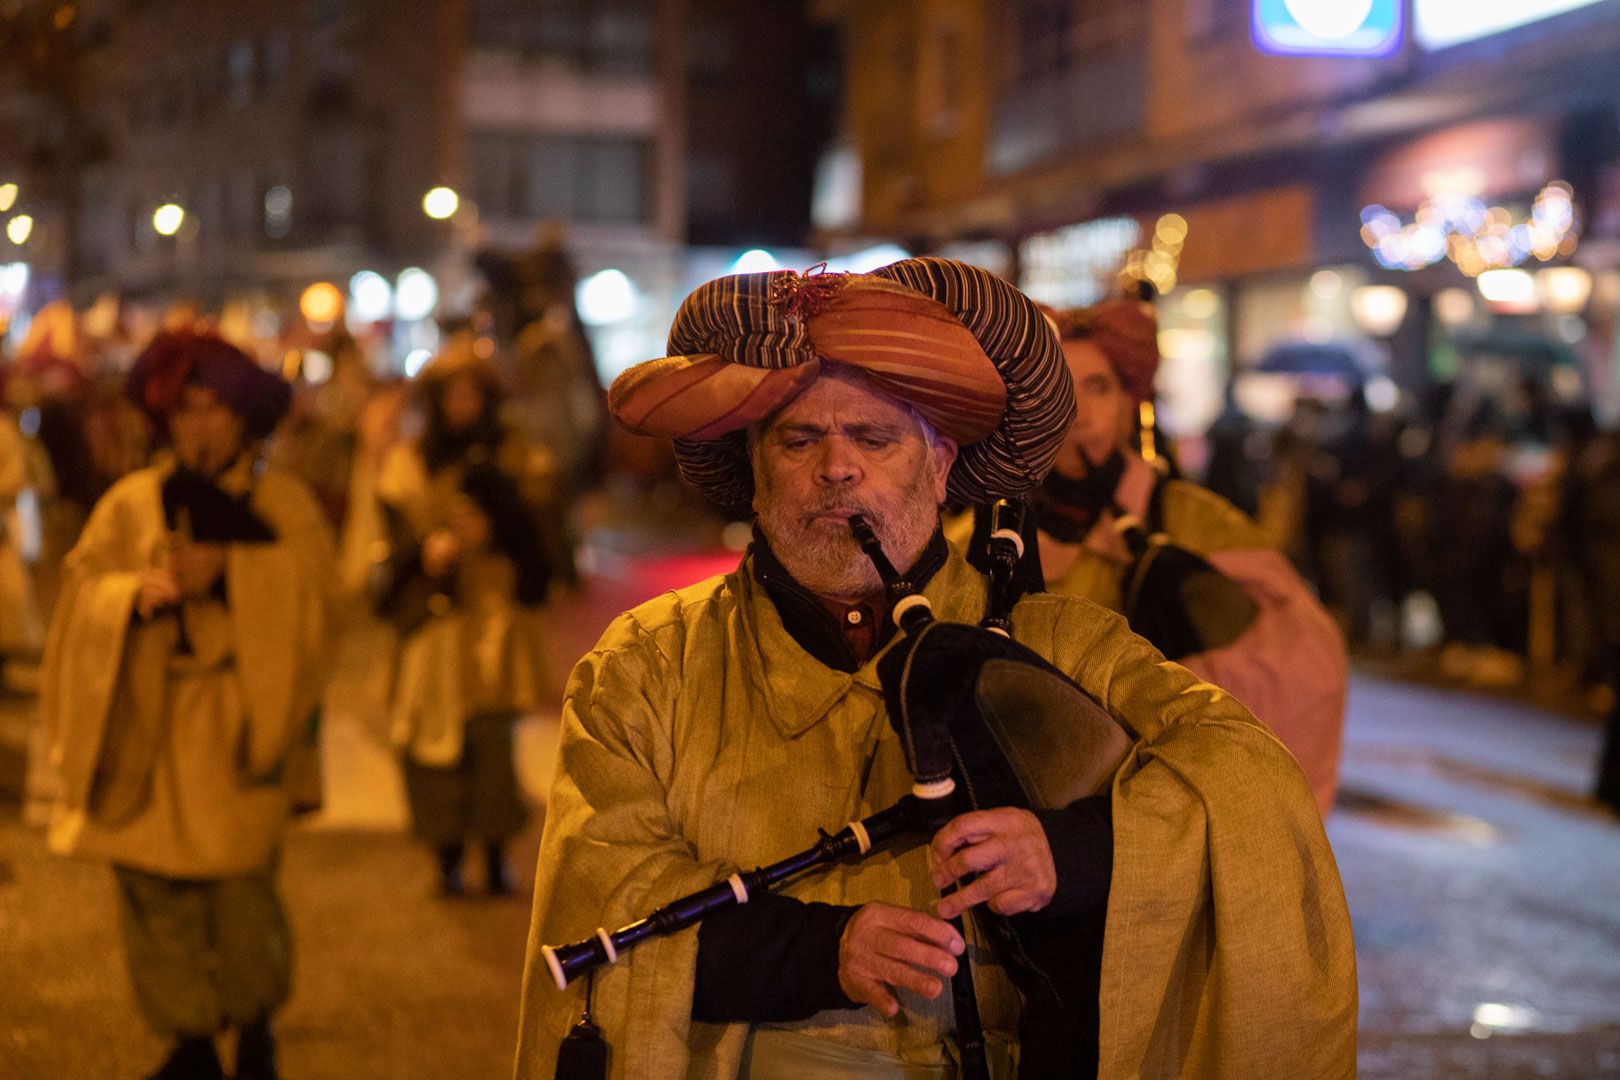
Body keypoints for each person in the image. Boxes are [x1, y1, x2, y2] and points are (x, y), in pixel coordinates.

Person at [514, 258, 1356, 1079]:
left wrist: (1074, 852)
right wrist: (823, 950)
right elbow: (604, 891)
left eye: (874, 438)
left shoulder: (1063, 644)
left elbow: (1248, 777)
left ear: (942, 462)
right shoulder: (644, 666)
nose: (836, 468)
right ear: (755, 472)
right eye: (798, 438)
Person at [38, 330, 333, 1080]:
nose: (201, 426)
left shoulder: (283, 501)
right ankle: (189, 1040)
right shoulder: (130, 502)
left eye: (216, 409)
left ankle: (254, 1022)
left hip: (237, 722)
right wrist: (126, 594)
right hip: (146, 723)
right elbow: (81, 593)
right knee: (149, 891)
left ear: (243, 416)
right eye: (187, 410)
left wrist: (232, 571)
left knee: (240, 895)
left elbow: (319, 602)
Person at [1013, 299, 1348, 815]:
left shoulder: (1194, 520)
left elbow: (1308, 665)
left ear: (1130, 402)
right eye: (1058, 390)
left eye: (1099, 387)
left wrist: (1180, 684)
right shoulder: (988, 530)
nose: (1077, 412)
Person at [345, 334, 552, 896]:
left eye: (471, 394)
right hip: (433, 628)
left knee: (490, 742)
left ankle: (494, 851)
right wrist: (425, 551)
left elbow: (541, 540)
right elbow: (389, 542)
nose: (462, 405)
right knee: (431, 746)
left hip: (492, 624)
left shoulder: (516, 457)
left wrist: (499, 530)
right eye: (451, 395)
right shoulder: (410, 465)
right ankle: (446, 855)